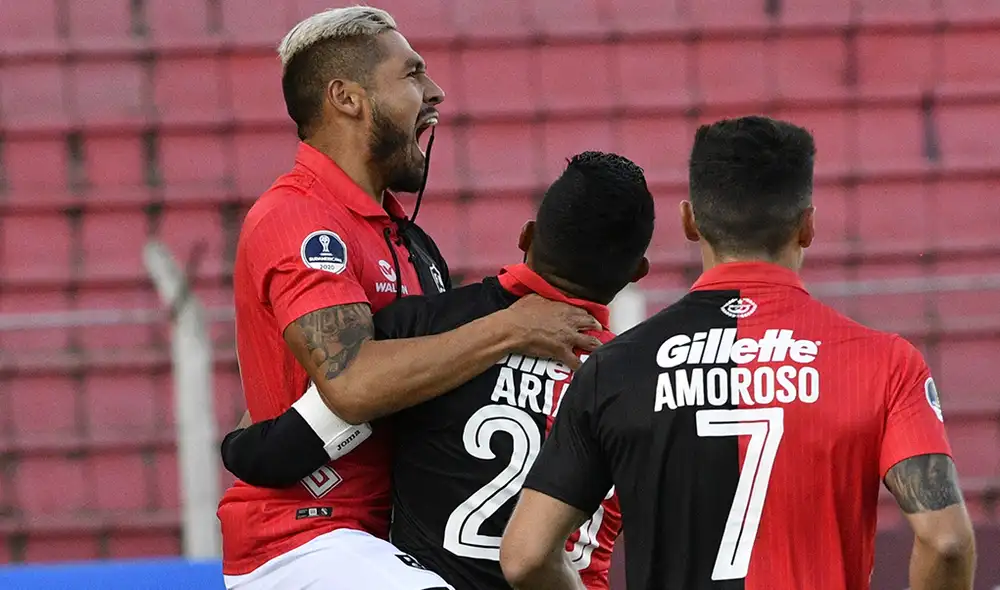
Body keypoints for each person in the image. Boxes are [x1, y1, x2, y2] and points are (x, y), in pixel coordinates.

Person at [500, 116, 977, 590]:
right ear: (807, 225)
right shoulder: (884, 363)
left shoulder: (615, 369)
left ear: (689, 221)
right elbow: (947, 542)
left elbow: (527, 557)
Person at [218, 7, 603, 590]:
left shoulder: (404, 238)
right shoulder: (298, 218)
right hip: (304, 538)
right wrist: (511, 327)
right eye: (412, 74)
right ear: (347, 98)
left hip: (387, 543)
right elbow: (351, 383)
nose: (435, 91)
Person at [221, 151, 656, 590]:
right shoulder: (644, 388)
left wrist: (237, 443)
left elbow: (274, 454)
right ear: (637, 272)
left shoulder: (425, 335)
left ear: (526, 236)